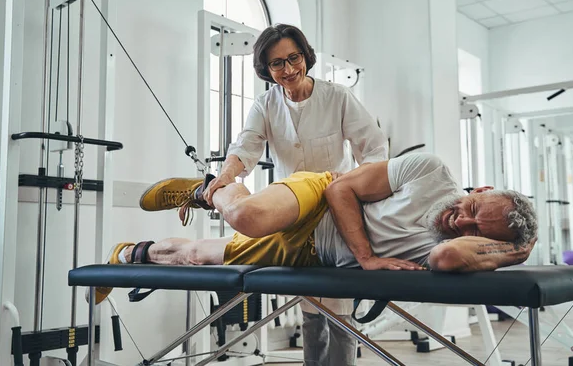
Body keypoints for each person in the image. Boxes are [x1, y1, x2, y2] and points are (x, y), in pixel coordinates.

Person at [138, 23, 388, 365]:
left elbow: (374, 150)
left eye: (294, 58)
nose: (288, 69)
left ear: (305, 56)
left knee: (339, 309)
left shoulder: (337, 97)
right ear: (266, 69)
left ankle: (196, 195)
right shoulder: (266, 104)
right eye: (277, 64)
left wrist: (356, 187)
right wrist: (224, 176)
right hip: (291, 210)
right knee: (311, 307)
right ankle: (201, 194)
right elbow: (246, 147)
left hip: (334, 210)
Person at [95, 152, 538, 315]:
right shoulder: (431, 171)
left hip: (313, 253)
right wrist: (365, 256)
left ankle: (132, 254)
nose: (462, 222)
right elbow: (344, 188)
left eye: (479, 229)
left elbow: (447, 260)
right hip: (319, 198)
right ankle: (211, 189)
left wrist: (514, 250)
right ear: (479, 189)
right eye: (474, 208)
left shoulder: (455, 246)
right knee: (246, 217)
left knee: (196, 257)